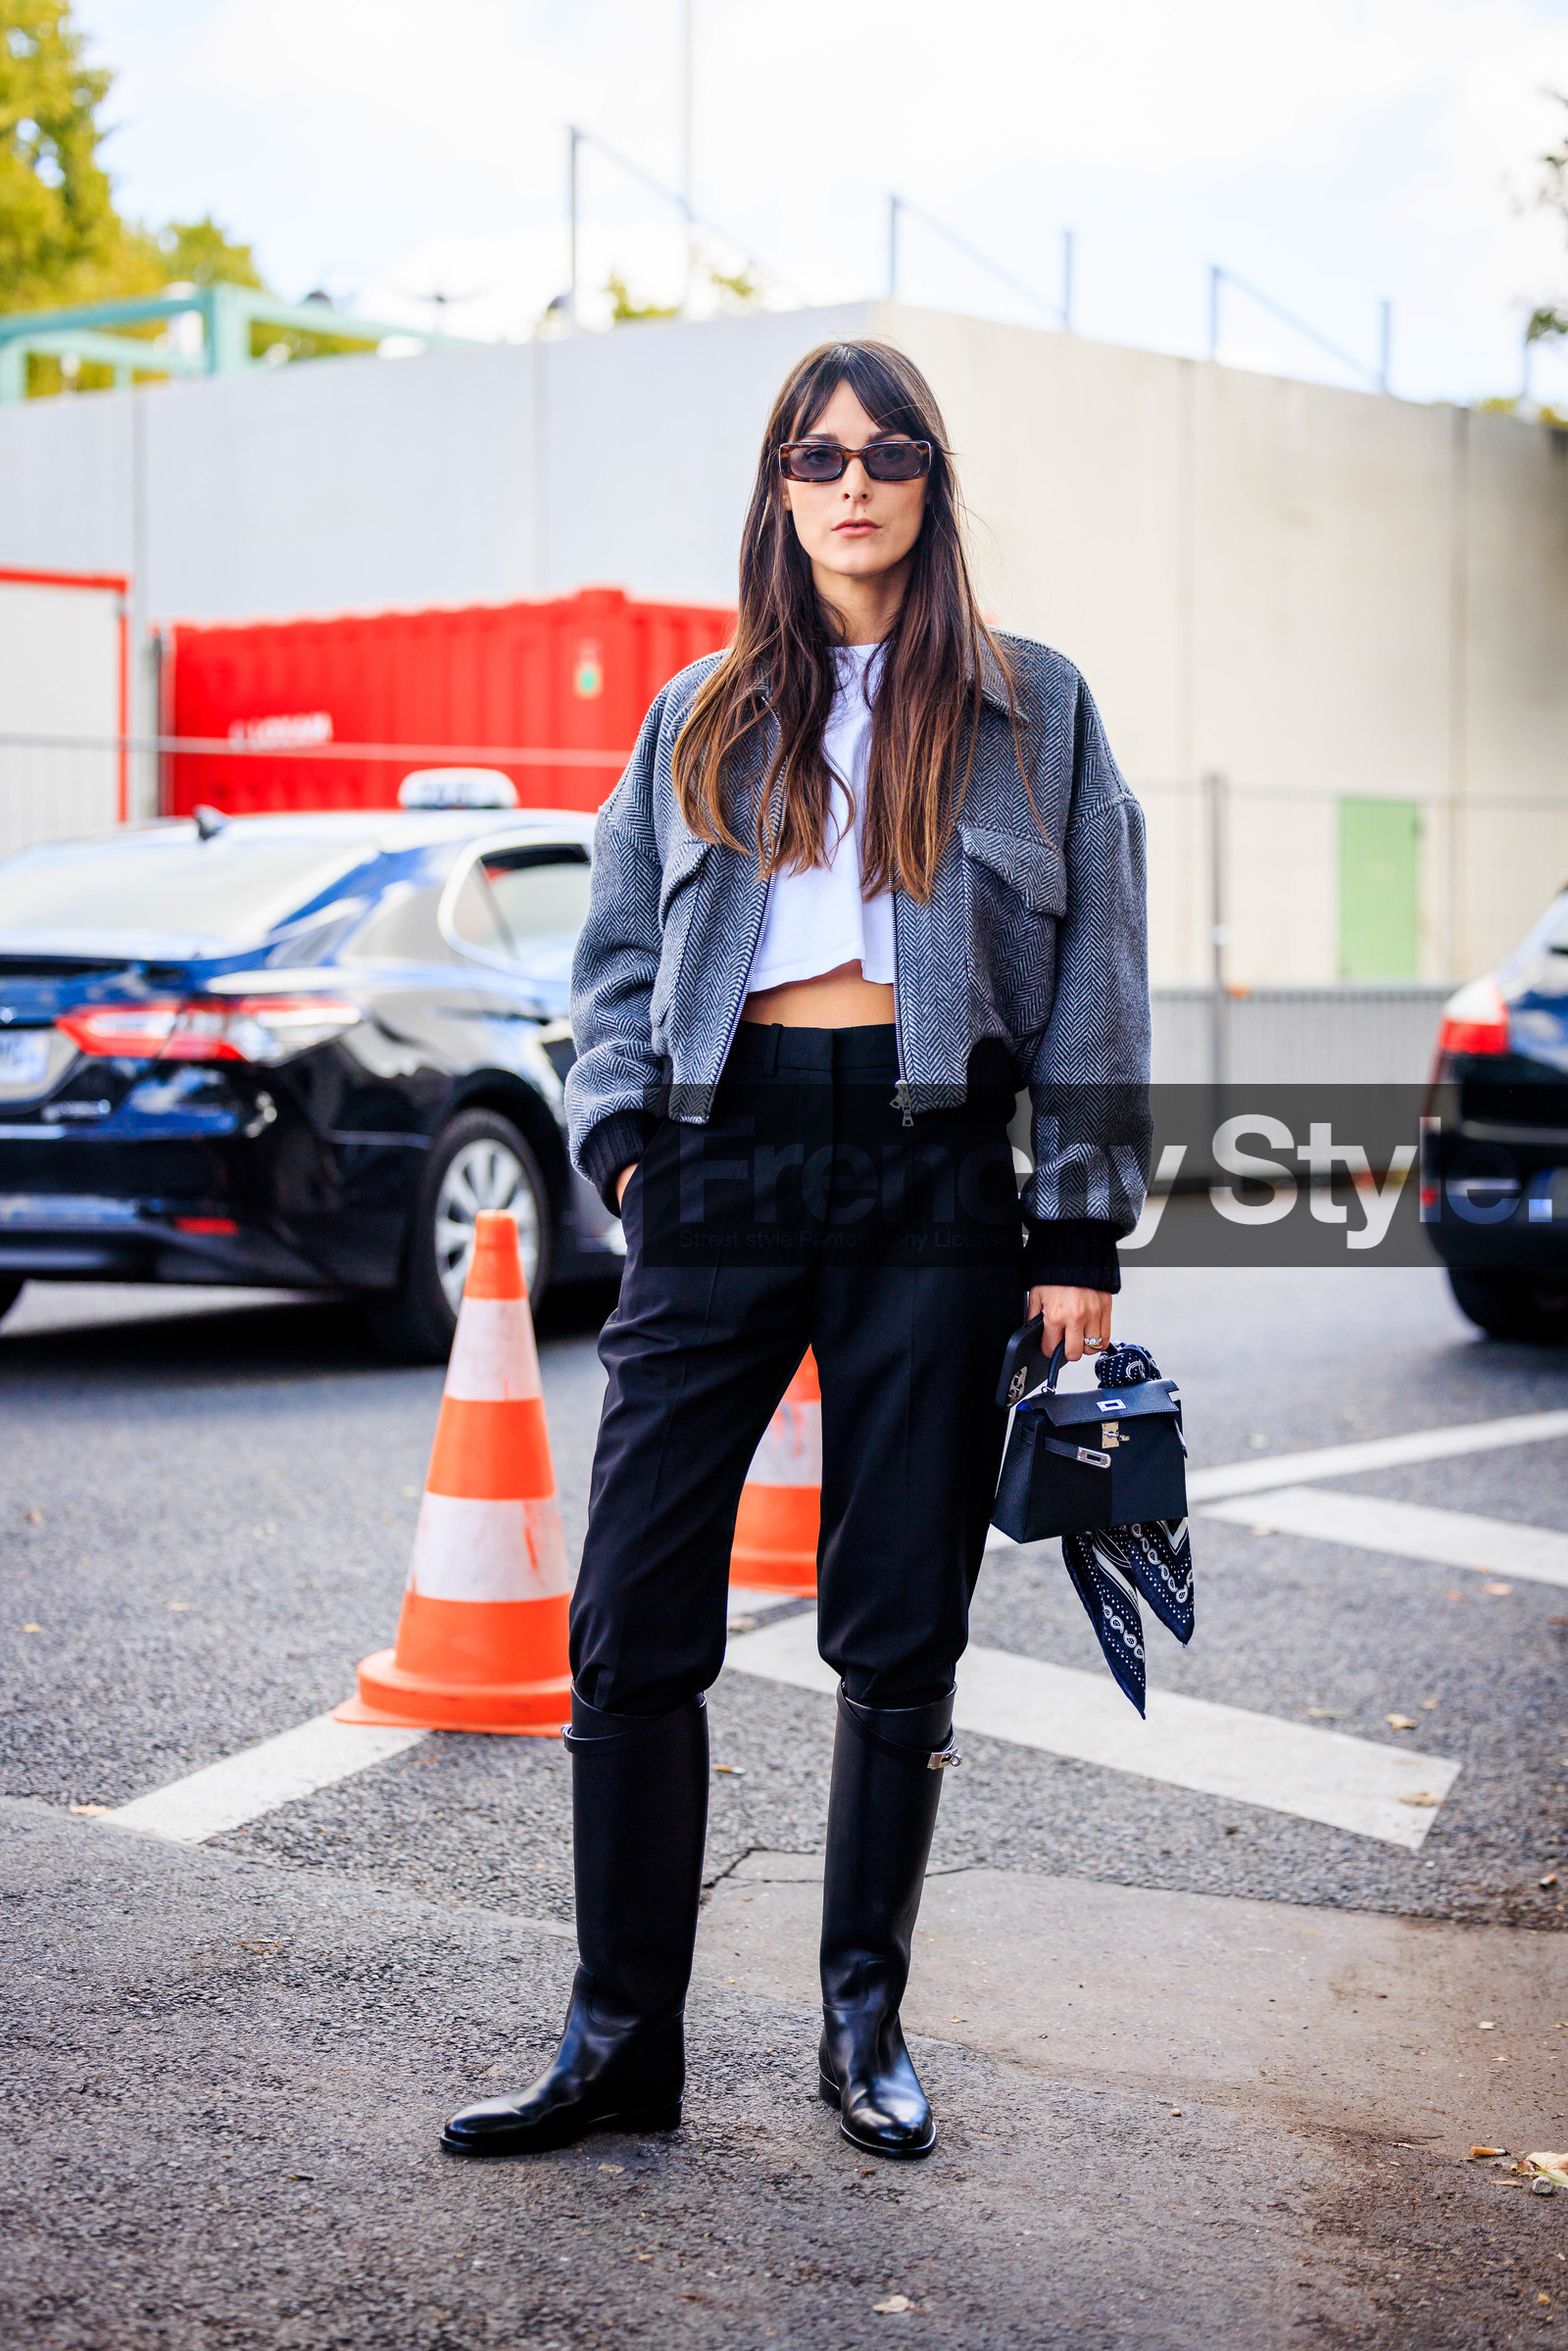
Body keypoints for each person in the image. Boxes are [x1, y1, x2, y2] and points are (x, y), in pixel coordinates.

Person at [442, 338, 1150, 2164]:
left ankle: (863, 2026)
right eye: (818, 453)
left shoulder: (1033, 706)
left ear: (929, 479)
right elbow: (610, 950)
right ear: (779, 485)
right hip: (722, 1154)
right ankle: (619, 2041)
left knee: (900, 1613)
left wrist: (1074, 1221)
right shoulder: (699, 713)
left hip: (931, 1175)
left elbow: (1094, 983)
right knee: (630, 1615)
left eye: (888, 449)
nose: (854, 480)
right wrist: (622, 1141)